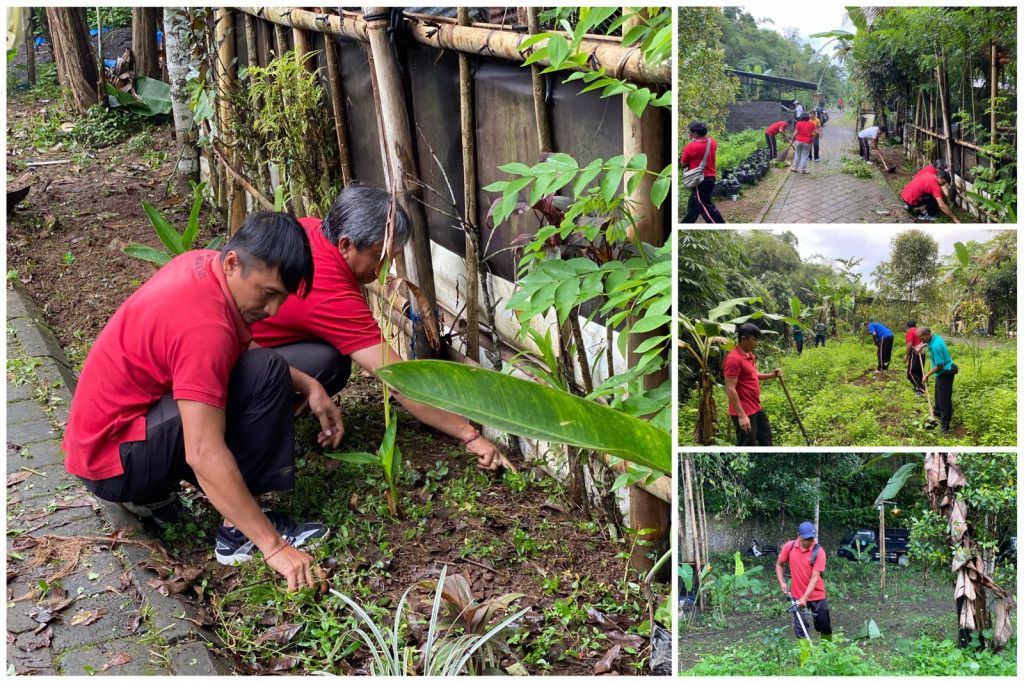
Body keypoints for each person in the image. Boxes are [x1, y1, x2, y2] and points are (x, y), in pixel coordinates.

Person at [63, 213, 341, 591]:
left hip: (112, 441)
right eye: (268, 293)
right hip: (112, 463)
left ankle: (154, 494)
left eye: (282, 298)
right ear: (232, 263)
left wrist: (309, 384)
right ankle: (237, 535)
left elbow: (240, 350)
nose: (273, 311)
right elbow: (202, 450)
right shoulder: (203, 326)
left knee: (276, 367)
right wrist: (274, 549)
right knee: (265, 375)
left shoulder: (202, 267)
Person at [252, 185, 514, 471]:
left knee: (333, 359)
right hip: (238, 368)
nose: (382, 269)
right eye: (379, 255)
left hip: (248, 348)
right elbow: (398, 379)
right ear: (346, 244)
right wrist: (470, 436)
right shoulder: (332, 294)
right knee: (331, 364)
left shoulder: (311, 229)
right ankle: (256, 427)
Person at [722, 323, 783, 447]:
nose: (757, 343)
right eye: (754, 340)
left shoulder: (748, 355)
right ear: (743, 339)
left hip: (756, 407)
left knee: (766, 440)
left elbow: (753, 374)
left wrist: (771, 375)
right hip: (744, 411)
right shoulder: (733, 359)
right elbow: (730, 388)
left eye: (757, 340)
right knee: (747, 445)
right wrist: (742, 416)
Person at [776, 522, 832, 640]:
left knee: (825, 627)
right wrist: (781, 582)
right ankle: (805, 658)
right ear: (798, 535)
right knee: (801, 629)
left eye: (811, 539)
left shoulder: (819, 551)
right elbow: (779, 564)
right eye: (805, 539)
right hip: (797, 595)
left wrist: (805, 598)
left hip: (817, 595)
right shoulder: (789, 547)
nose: (808, 542)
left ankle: (828, 655)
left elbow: (815, 577)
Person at [680, 121, 725, 223]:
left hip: (700, 181)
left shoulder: (690, 146)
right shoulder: (712, 141)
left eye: (689, 132)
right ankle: (687, 224)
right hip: (711, 177)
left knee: (705, 206)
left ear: (695, 134)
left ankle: (720, 224)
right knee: (694, 205)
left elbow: (683, 163)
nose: (689, 134)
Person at [918, 326, 957, 434]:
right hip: (941, 372)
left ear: (927, 334)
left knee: (944, 399)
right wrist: (922, 345)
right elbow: (929, 342)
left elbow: (940, 365)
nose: (921, 341)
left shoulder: (935, 346)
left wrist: (926, 375)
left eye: (921, 339)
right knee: (938, 393)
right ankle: (937, 413)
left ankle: (945, 425)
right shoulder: (935, 338)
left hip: (945, 371)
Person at [904, 320, 926, 395]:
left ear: (907, 327)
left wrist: (906, 356)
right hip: (922, 352)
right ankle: (918, 387)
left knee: (911, 372)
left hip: (915, 353)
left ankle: (921, 388)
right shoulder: (919, 331)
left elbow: (909, 345)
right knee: (919, 371)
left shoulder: (910, 332)